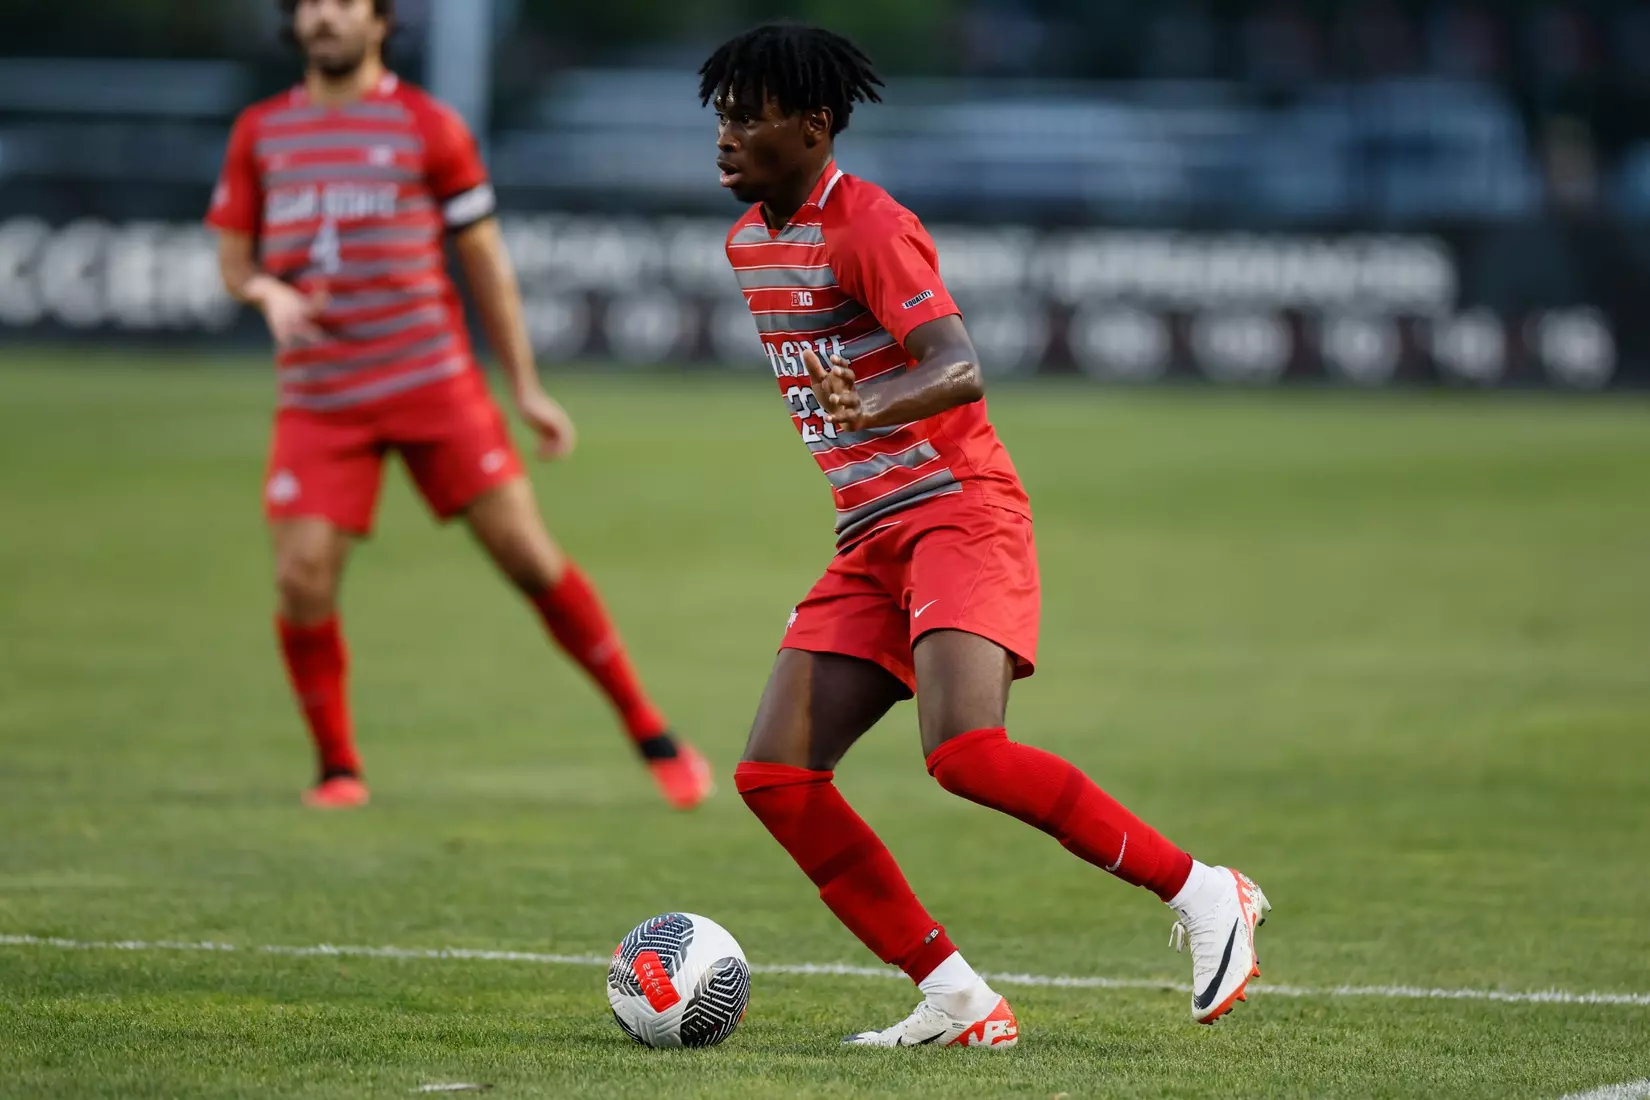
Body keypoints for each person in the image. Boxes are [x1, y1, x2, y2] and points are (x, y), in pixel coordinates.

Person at [702, 23, 1269, 1048]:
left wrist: (871, 404)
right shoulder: (749, 242)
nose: (727, 134)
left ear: (815, 125)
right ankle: (958, 997)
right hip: (869, 535)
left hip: (958, 510)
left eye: (750, 116)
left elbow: (958, 363)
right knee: (776, 774)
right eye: (721, 116)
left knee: (965, 750)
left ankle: (1202, 889)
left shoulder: (868, 226)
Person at [206, 0, 712, 811]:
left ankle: (654, 735)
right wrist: (266, 291)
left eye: (344, 3)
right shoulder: (260, 132)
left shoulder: (428, 126)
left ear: (380, 21)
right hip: (321, 398)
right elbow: (234, 261)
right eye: (310, 4)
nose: (325, 17)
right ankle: (338, 770)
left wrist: (526, 389)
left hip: (432, 384)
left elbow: (485, 262)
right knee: (301, 579)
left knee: (529, 559)